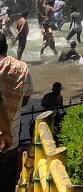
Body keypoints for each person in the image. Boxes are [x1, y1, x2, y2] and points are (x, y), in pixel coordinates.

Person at [0, 32, 33, 192]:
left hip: (9, 138)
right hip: (10, 140)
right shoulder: (21, 68)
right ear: (5, 47)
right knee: (7, 182)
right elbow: (26, 98)